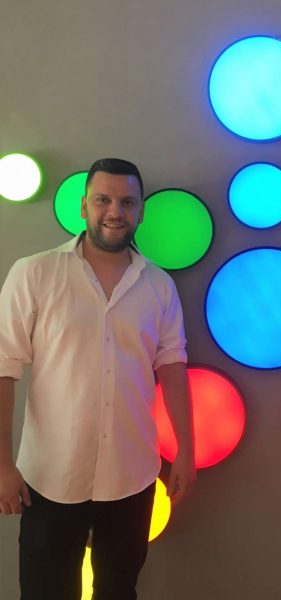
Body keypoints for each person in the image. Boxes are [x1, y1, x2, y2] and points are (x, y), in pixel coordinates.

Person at [0, 158, 196, 599]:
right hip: (50, 476)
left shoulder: (159, 286)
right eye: (103, 200)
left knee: (119, 590)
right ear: (84, 206)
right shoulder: (34, 273)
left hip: (132, 476)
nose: (115, 211)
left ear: (141, 211)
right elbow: (2, 368)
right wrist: (1, 464)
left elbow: (173, 367)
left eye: (127, 202)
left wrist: (187, 451)